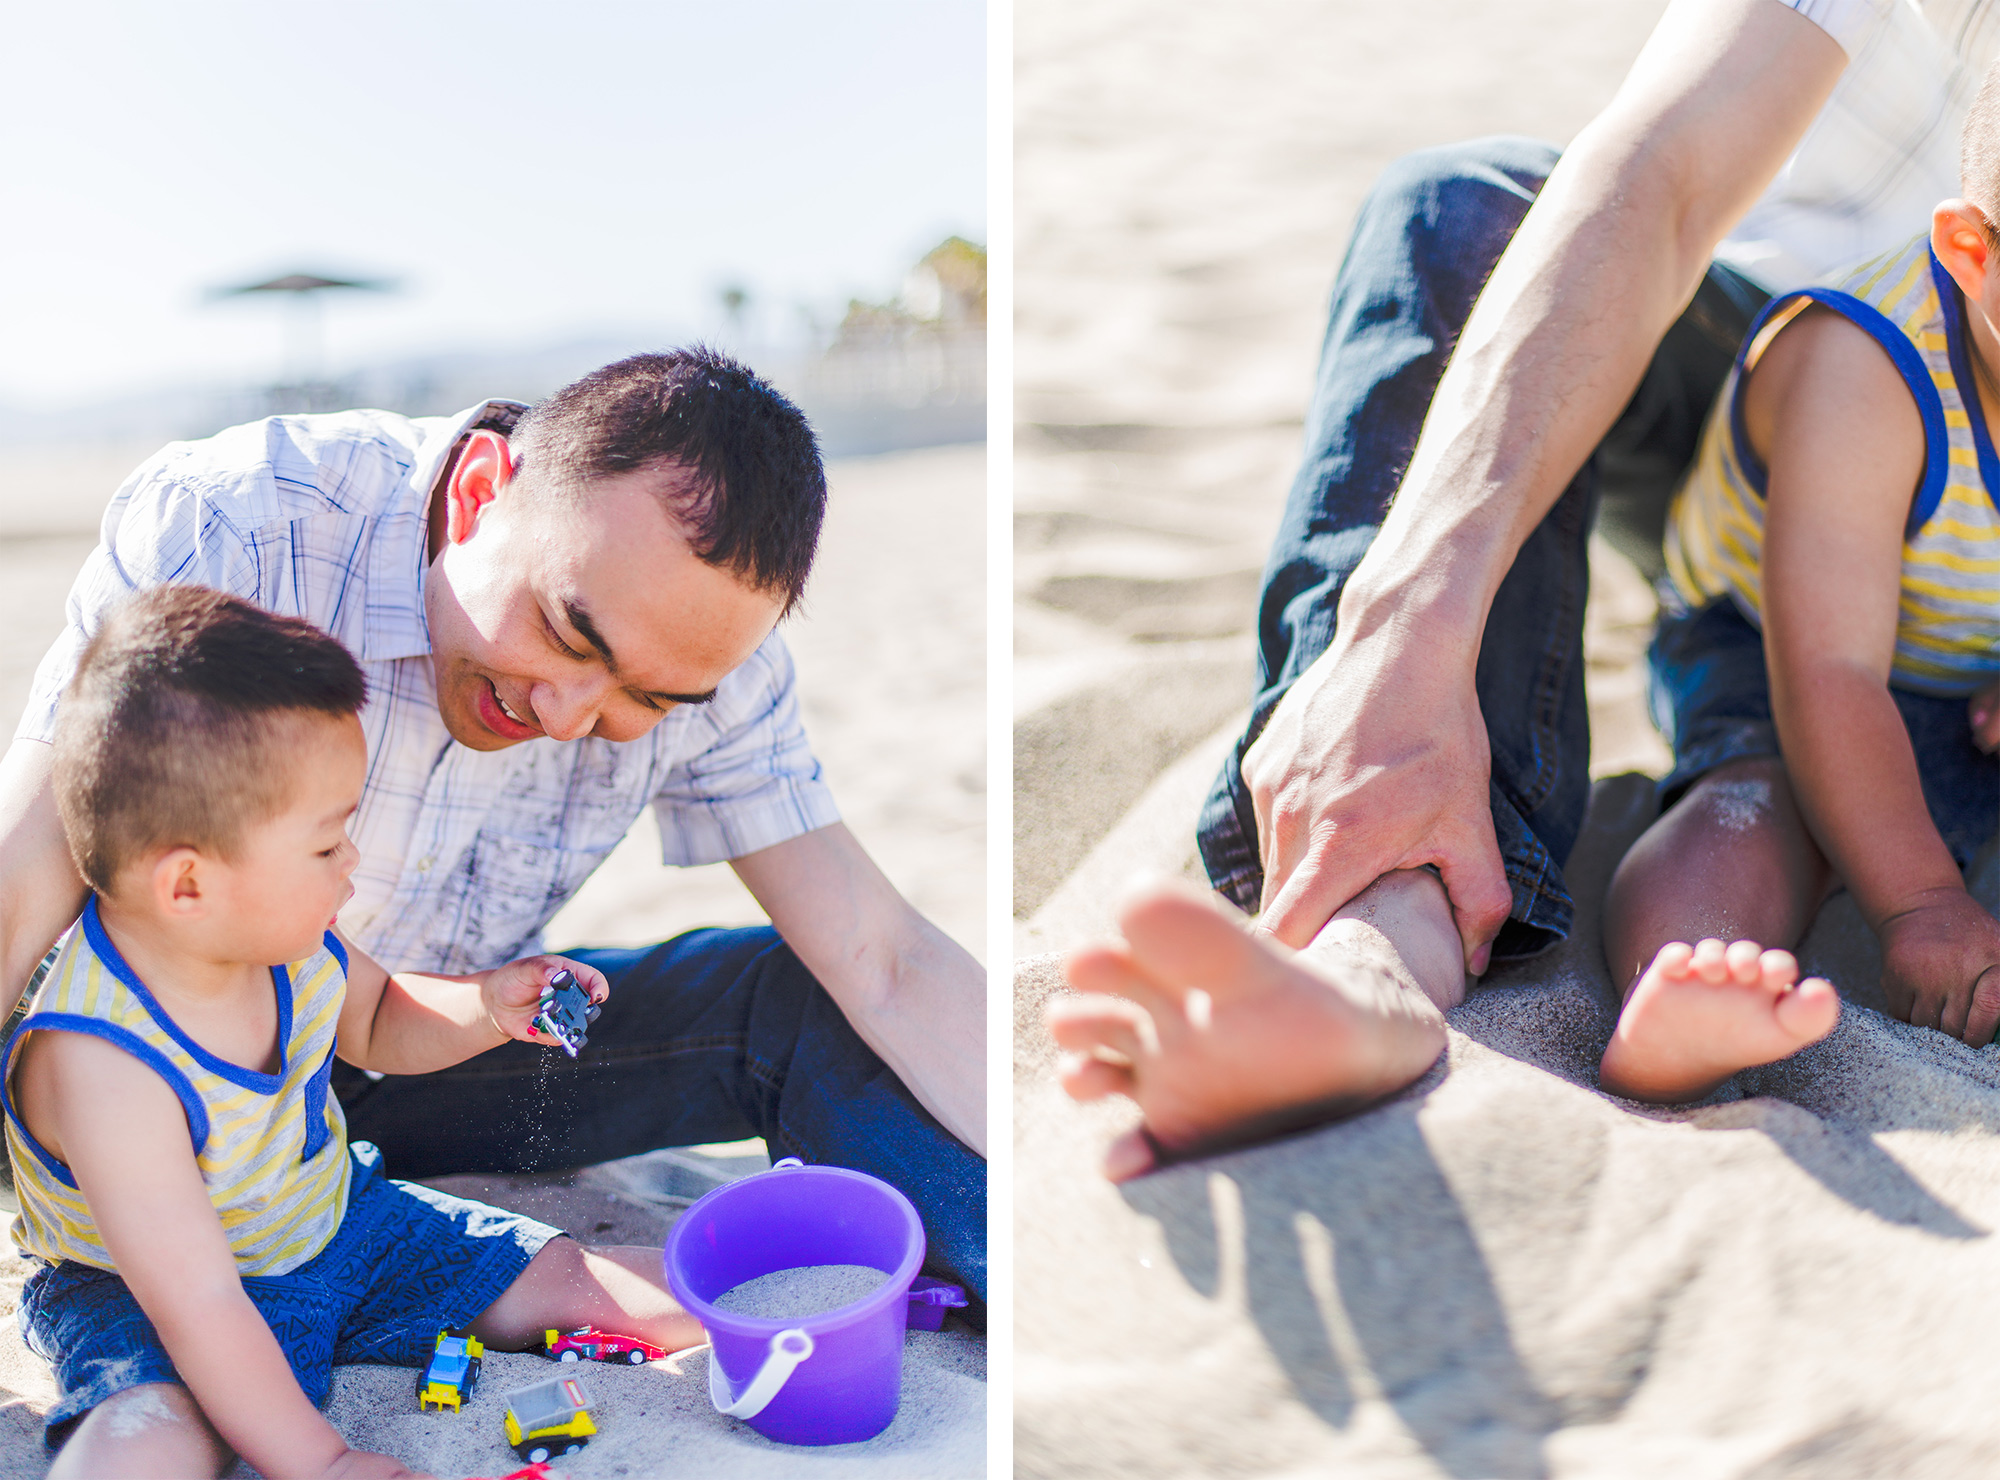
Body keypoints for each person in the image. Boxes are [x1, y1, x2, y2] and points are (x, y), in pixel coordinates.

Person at [1050, 0, 2000, 1179]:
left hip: (1963, 629)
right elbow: (1661, 173)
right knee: (1467, 207)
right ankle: (1387, 922)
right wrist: (1401, 629)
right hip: (1779, 453)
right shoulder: (1872, 370)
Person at [0, 348, 985, 1294]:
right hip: (161, 1088)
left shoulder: (715, 678)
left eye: (643, 697)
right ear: (479, 491)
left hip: (428, 1048)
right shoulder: (247, 519)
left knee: (792, 993)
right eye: (567, 633)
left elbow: (881, 957)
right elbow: (22, 880)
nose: (564, 716)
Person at [10, 587, 702, 1480]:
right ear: (187, 885)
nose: (354, 860)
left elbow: (377, 1020)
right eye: (327, 843)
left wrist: (489, 1007)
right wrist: (323, 1460)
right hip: (147, 1297)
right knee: (157, 1428)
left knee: (576, 1283)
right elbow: (200, 1301)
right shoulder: (105, 1064)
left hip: (340, 1224)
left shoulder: (278, 940)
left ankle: (783, 1288)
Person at [1597, 65, 2000, 1101]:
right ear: (1971, 254)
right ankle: (1680, 982)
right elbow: (1827, 669)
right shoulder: (1866, 370)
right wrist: (1916, 902)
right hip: (1783, 644)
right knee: (1761, 800)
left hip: (1966, 654)